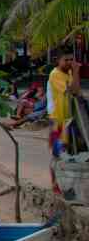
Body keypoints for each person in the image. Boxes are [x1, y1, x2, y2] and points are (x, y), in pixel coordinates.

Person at [48, 51, 82, 194]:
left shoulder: (68, 73)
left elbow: (76, 90)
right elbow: (71, 90)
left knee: (70, 153)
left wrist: (75, 73)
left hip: (68, 119)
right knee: (58, 153)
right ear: (58, 61)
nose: (69, 62)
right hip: (58, 120)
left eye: (71, 59)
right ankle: (55, 184)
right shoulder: (55, 74)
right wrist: (75, 71)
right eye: (66, 59)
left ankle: (66, 184)